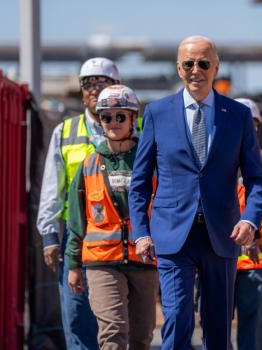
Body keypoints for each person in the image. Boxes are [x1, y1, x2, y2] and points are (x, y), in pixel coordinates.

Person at [128, 36, 262, 350]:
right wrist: (141, 233)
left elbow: (257, 180)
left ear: (216, 67)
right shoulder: (157, 113)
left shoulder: (238, 115)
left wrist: (250, 220)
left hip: (223, 235)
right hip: (173, 234)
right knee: (177, 319)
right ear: (179, 68)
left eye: (204, 63)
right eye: (188, 63)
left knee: (218, 329)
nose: (196, 70)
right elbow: (139, 182)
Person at [65, 85, 158, 350]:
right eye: (107, 117)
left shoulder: (150, 160)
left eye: (120, 116)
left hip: (144, 260)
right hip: (101, 261)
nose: (114, 122)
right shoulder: (89, 163)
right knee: (113, 334)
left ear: (133, 118)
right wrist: (73, 265)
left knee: (141, 337)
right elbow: (76, 219)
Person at [37, 57, 120, 349]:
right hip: (78, 237)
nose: (95, 90)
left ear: (116, 87)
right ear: (81, 90)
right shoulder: (65, 131)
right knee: (77, 319)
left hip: (121, 238)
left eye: (102, 83)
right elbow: (52, 187)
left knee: (114, 323)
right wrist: (49, 236)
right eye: (89, 84)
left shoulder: (134, 129)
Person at [234, 98, 262, 350]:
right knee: (214, 330)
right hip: (221, 257)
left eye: (251, 124)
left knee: (252, 335)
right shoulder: (216, 160)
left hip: (257, 261)